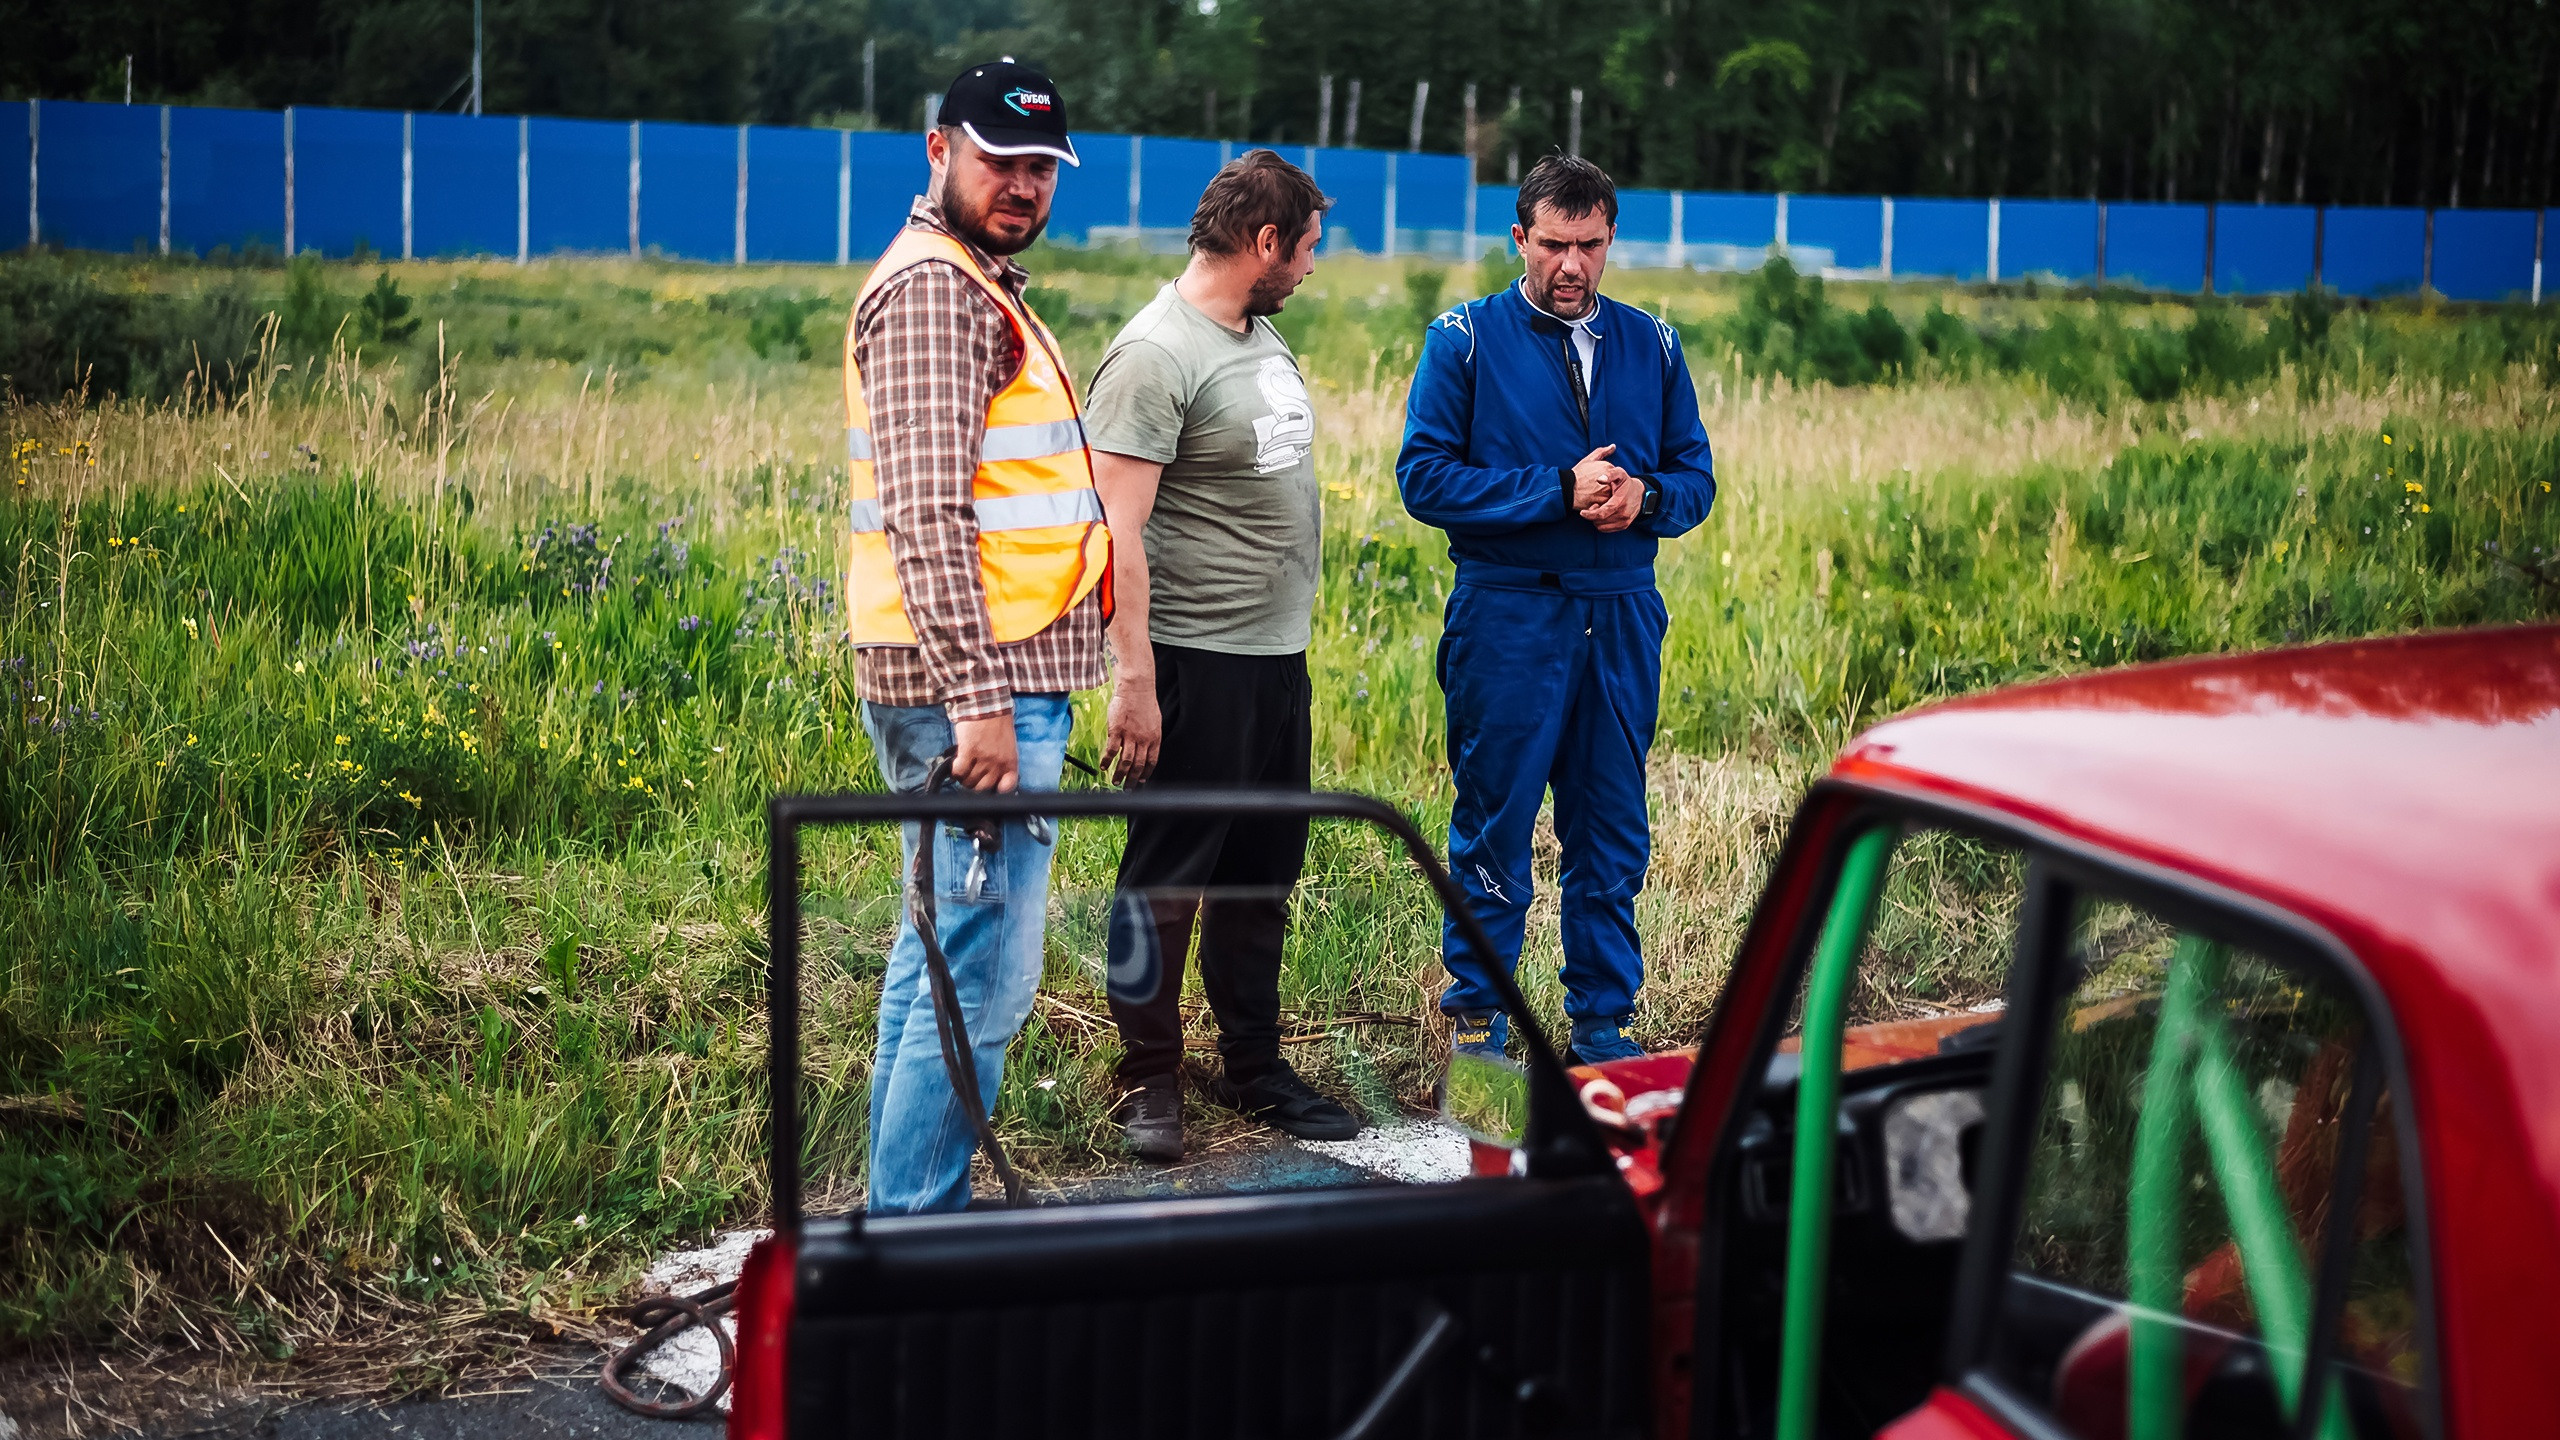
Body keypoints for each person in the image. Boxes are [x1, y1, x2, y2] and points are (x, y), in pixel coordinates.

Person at [842, 59, 1110, 1214]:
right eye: (1000, 160)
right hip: (975, 692)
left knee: (940, 968)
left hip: (983, 683)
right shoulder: (938, 294)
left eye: (1041, 168)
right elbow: (927, 512)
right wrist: (980, 705)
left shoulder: (973, 280)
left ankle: (898, 1227)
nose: (1022, 186)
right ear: (937, 149)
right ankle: (914, 1247)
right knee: (983, 983)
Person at [1394, 155, 1717, 1066]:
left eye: (1590, 245)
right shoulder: (1461, 338)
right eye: (1553, 246)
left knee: (1610, 826)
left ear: (1612, 239)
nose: (1571, 266)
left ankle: (1603, 1028)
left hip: (1620, 614)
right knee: (1494, 821)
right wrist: (1555, 491)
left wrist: (1644, 499)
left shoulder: (1653, 345)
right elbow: (1424, 478)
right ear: (1519, 240)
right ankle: (1480, 1027)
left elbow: (1697, 479)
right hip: (1507, 615)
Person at [1085, 150, 1359, 1161]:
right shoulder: (1154, 355)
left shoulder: (1255, 330)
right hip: (1192, 663)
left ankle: (1253, 1069)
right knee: (1163, 880)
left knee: (1259, 876)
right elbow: (1116, 532)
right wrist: (1137, 683)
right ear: (1264, 242)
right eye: (1308, 246)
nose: (1313, 266)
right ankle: (1145, 1082)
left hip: (1273, 661)